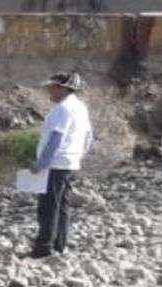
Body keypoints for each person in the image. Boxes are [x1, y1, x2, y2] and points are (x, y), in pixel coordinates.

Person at [30, 72, 93, 259]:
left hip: (56, 164)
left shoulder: (62, 109)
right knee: (62, 205)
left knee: (48, 206)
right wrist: (79, 155)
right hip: (70, 162)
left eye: (52, 87)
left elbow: (57, 137)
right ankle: (59, 245)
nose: (49, 90)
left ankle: (44, 248)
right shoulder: (80, 108)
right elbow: (89, 136)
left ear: (62, 88)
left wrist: (42, 163)